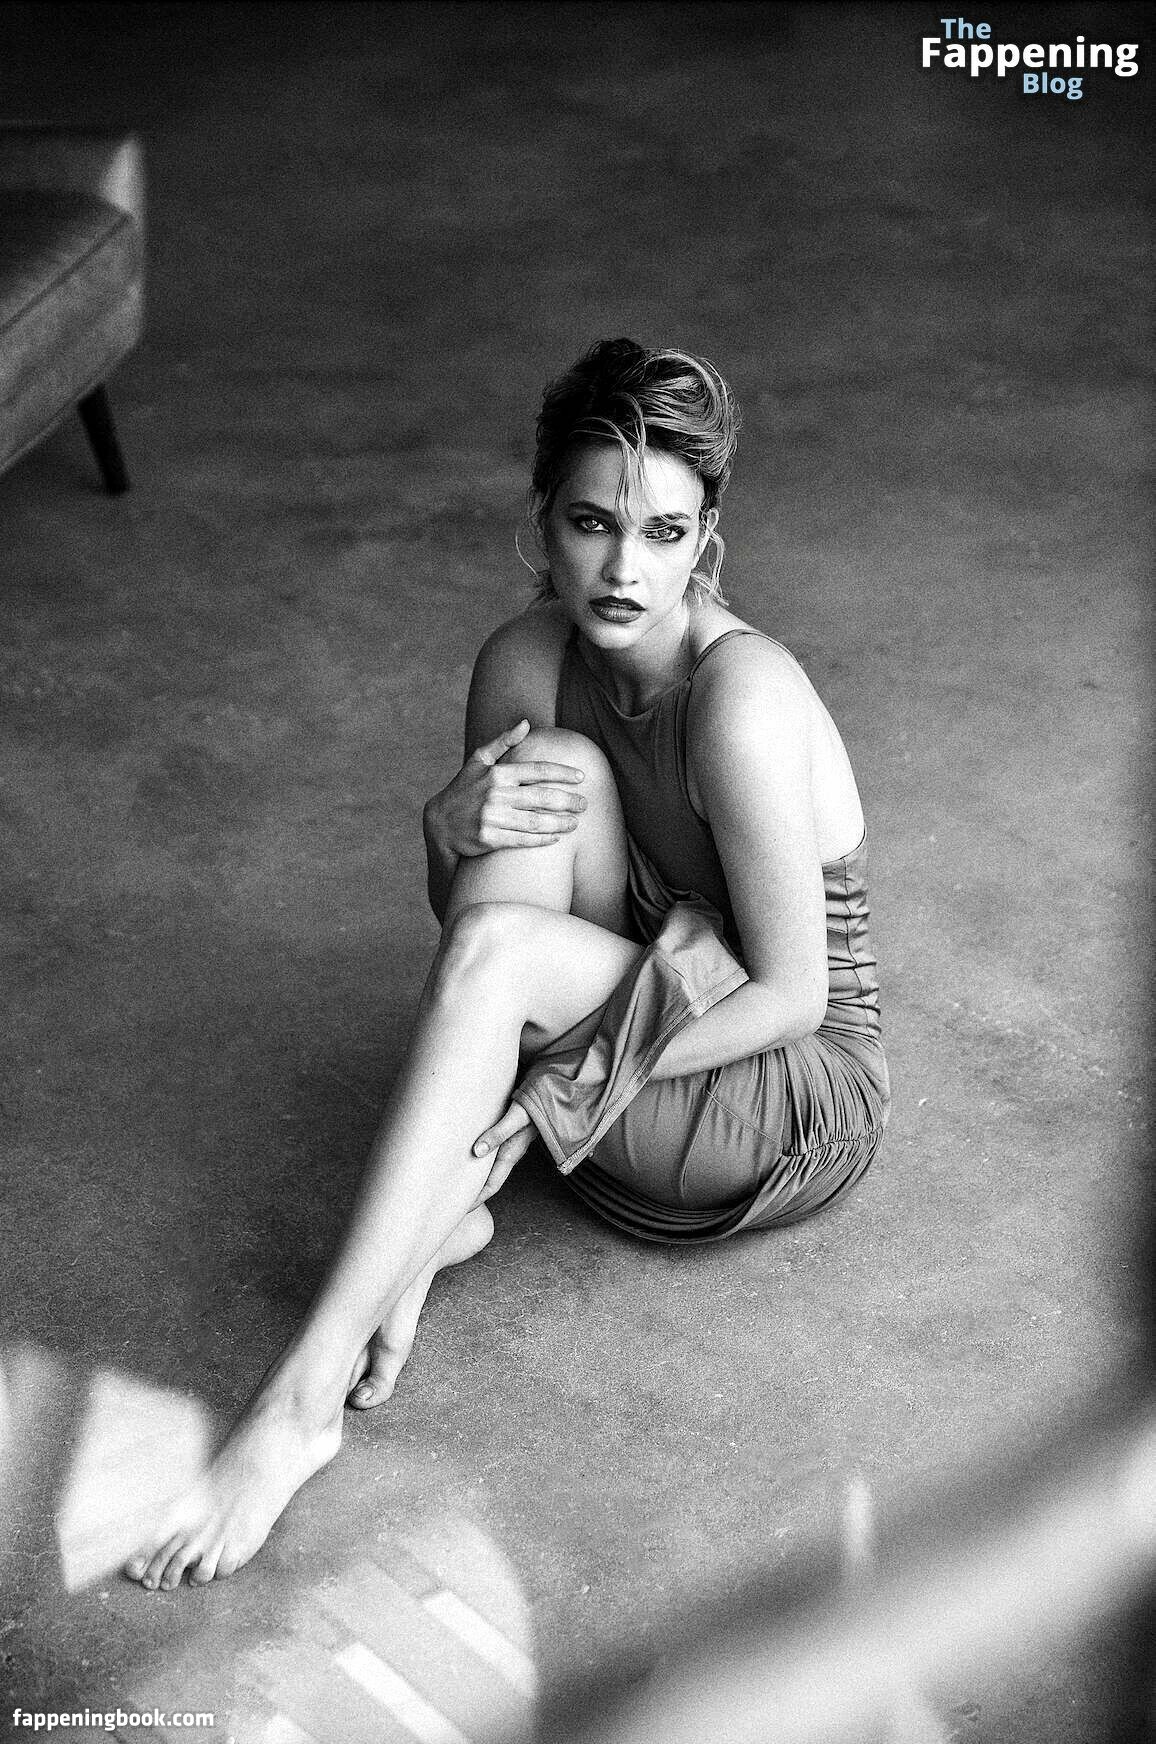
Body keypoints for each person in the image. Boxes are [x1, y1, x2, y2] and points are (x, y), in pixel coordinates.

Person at [125, 339, 889, 1590]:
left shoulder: (740, 694)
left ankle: (301, 1399)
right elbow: (475, 943)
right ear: (542, 522)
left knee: (510, 947)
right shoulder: (524, 659)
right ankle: (434, 1221)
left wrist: (555, 1094)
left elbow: (792, 993)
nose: (624, 568)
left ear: (705, 542)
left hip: (778, 1093)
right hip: (642, 1031)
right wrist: (443, 836)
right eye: (592, 523)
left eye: (663, 532)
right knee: (551, 777)